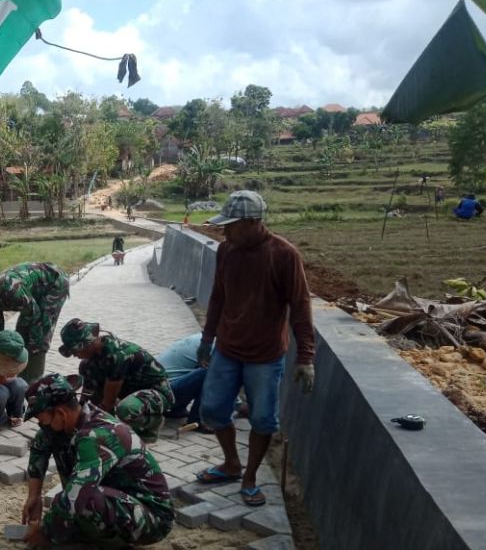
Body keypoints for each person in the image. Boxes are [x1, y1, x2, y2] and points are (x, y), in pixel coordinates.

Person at [196, 190, 315, 507]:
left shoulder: (284, 255)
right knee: (212, 409)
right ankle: (231, 464)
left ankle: (249, 478)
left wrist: (306, 357)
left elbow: (301, 308)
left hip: (265, 355)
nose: (225, 232)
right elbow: (218, 296)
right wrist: (207, 339)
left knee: (263, 419)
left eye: (231, 226)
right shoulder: (226, 251)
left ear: (253, 223)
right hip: (228, 348)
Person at [20, 373, 175, 550]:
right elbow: (40, 447)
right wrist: (34, 496)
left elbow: (76, 496)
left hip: (152, 518)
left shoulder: (98, 435)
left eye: (43, 421)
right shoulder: (70, 423)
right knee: (69, 493)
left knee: (82, 498)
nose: (42, 427)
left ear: (60, 412)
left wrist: (45, 533)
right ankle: (86, 529)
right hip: (120, 498)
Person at [58, 318, 174, 443]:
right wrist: (76, 421)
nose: (74, 355)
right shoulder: (87, 364)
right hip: (131, 393)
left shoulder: (117, 356)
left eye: (75, 350)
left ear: (88, 344)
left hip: (157, 393)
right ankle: (115, 432)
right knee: (94, 404)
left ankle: (151, 425)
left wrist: (91, 429)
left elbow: (108, 403)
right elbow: (87, 398)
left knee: (125, 409)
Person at [0, 262, 69, 383]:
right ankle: (20, 374)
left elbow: (35, 315)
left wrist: (33, 345)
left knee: (38, 336)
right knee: (19, 335)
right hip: (31, 294)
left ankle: (34, 381)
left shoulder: (12, 292)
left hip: (54, 284)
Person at [156, 332, 210, 428]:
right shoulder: (214, 345)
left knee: (196, 373)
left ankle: (176, 409)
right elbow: (222, 379)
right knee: (208, 372)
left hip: (158, 390)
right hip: (165, 392)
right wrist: (238, 406)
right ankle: (197, 419)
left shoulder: (201, 337)